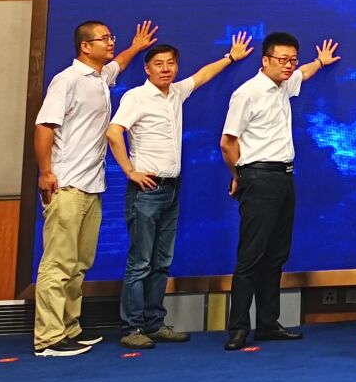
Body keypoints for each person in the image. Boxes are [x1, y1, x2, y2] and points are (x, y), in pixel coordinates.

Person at [105, 31, 253, 347]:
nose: (166, 69)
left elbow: (202, 76)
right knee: (140, 262)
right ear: (147, 69)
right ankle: (132, 328)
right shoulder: (136, 97)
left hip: (172, 188)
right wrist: (129, 171)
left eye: (171, 63)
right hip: (146, 190)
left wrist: (230, 57)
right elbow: (114, 132)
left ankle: (154, 323)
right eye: (159, 64)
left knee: (161, 262)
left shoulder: (176, 93)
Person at [32, 17, 156, 358]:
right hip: (66, 184)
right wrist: (45, 172)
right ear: (85, 46)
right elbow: (44, 126)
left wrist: (136, 47)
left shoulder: (101, 77)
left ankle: (69, 328)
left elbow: (119, 64)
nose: (111, 42)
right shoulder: (68, 80)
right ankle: (48, 338)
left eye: (111, 37)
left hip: (91, 186)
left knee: (79, 263)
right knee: (58, 263)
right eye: (104, 38)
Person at [220, 30, 341, 350]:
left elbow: (304, 74)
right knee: (251, 255)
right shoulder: (247, 93)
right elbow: (227, 142)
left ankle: (267, 323)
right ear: (265, 60)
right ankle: (238, 328)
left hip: (285, 177)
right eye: (282, 60)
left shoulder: (284, 85)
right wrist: (239, 176)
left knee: (276, 255)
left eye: (292, 60)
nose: (289, 65)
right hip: (258, 176)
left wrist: (319, 62)